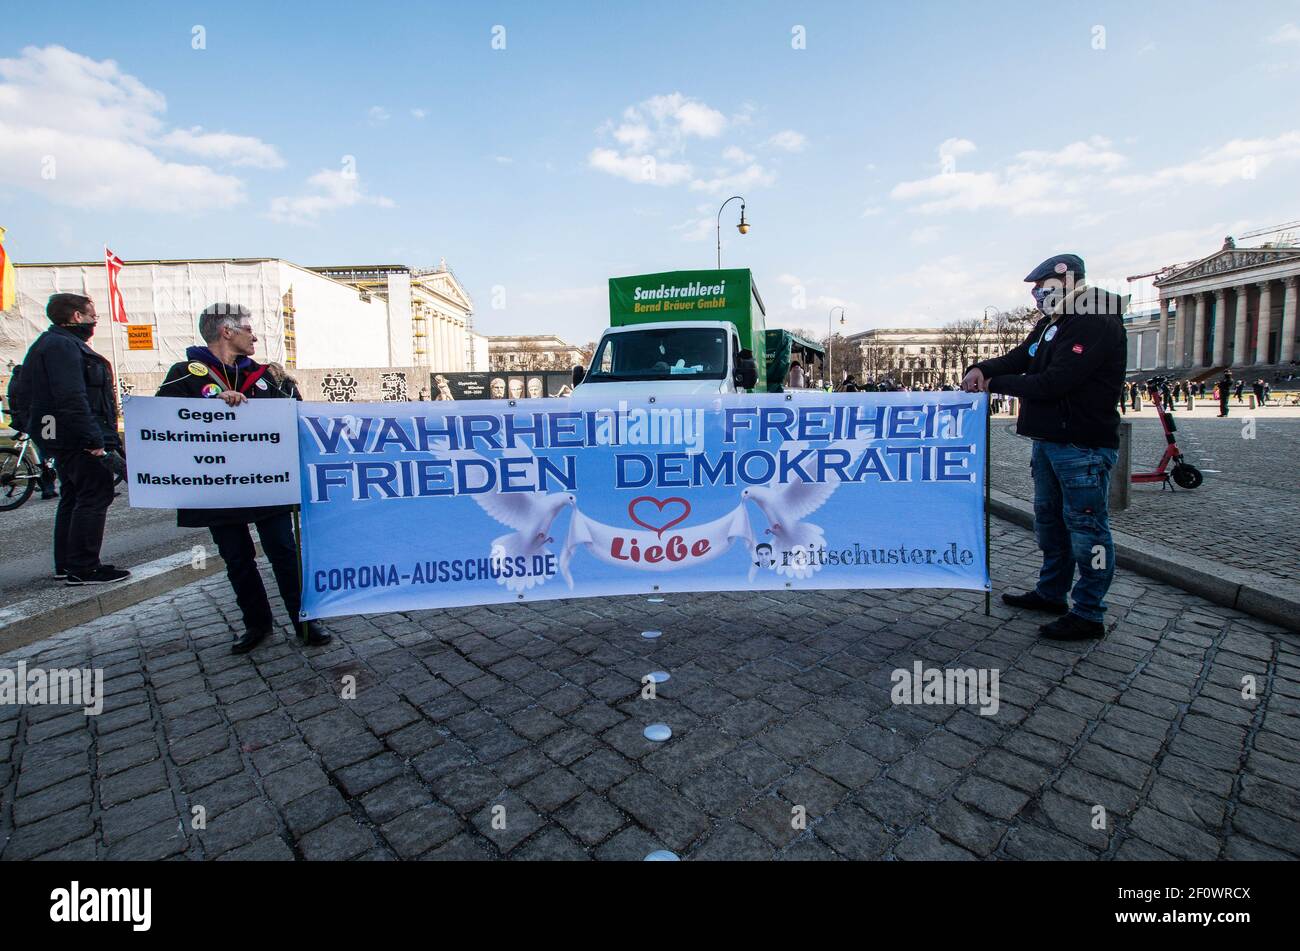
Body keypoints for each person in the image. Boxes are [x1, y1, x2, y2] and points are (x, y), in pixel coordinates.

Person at [962, 253, 1126, 641]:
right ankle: (1052, 592)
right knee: (1049, 523)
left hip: (1081, 444)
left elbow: (1055, 382)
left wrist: (993, 384)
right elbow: (1022, 357)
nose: (1037, 294)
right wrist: (984, 367)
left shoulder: (1095, 319)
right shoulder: (1054, 322)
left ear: (1069, 282)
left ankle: (1089, 611)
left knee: (1087, 528)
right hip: (1050, 440)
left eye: (1043, 287)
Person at [157, 303, 330, 654]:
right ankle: (256, 625)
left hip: (268, 485)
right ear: (226, 331)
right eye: (248, 329)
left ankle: (305, 620)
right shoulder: (186, 375)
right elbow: (161, 422)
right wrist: (210, 408)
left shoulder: (267, 376)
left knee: (284, 551)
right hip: (217, 489)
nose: (254, 336)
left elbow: (296, 416)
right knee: (237, 558)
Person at [21, 294, 129, 585]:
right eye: (93, 315)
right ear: (77, 317)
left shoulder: (51, 344)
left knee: (73, 495)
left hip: (65, 436)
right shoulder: (62, 347)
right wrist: (93, 438)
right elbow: (71, 397)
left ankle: (67, 564)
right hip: (78, 437)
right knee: (95, 494)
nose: (96, 321)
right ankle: (84, 567)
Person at [5, 364, 59, 499]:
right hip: (40, 420)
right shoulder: (28, 382)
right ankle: (50, 486)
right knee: (51, 449)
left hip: (23, 420)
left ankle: (47, 485)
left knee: (43, 449)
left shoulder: (15, 381)